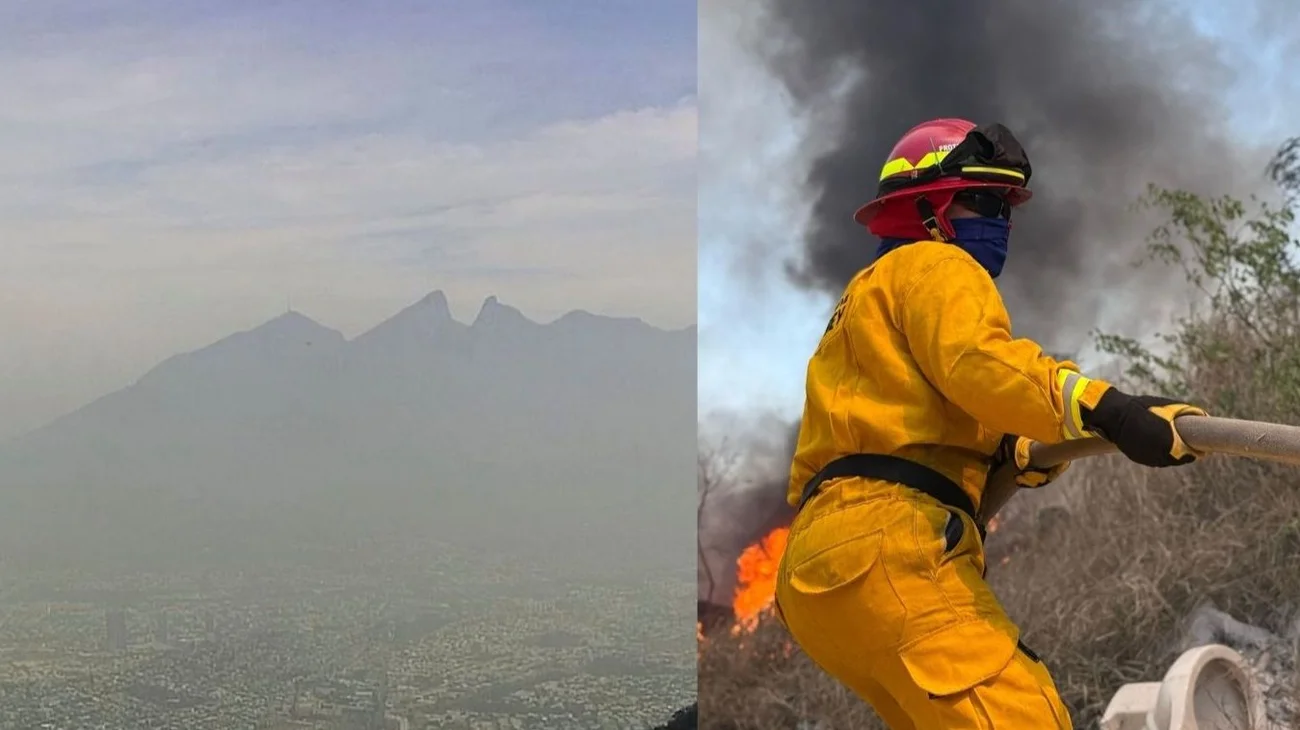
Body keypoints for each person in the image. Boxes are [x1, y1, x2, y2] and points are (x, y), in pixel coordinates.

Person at [772, 118, 1208, 729]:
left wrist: (1018, 451)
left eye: (1006, 205)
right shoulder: (935, 263)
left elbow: (926, 419)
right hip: (889, 545)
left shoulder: (863, 300)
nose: (1000, 219)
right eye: (981, 199)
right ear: (924, 208)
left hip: (816, 576)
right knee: (1024, 716)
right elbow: (980, 365)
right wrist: (1110, 409)